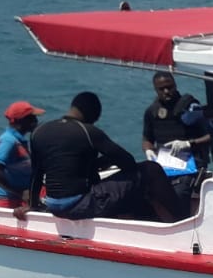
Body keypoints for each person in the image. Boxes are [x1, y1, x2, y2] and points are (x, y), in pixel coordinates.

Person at [19, 91, 181, 223]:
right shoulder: (87, 131)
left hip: (54, 203)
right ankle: (183, 220)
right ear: (92, 113)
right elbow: (128, 163)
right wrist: (106, 161)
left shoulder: (40, 132)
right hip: (78, 204)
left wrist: (32, 205)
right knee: (150, 169)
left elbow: (36, 175)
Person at [141, 71, 211, 213]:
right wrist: (148, 150)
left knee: (179, 194)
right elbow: (147, 138)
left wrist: (189, 143)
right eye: (162, 89)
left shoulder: (190, 107)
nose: (167, 91)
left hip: (190, 165)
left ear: (175, 85)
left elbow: (212, 135)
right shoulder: (152, 111)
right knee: (143, 192)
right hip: (164, 165)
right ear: (155, 89)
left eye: (170, 87)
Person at [0, 100, 44, 208]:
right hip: (13, 202)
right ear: (22, 121)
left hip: (24, 197)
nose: (36, 120)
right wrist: (21, 193)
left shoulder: (18, 140)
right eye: (32, 118)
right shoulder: (8, 141)